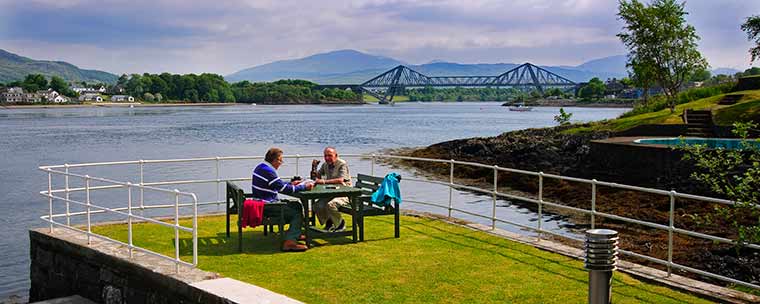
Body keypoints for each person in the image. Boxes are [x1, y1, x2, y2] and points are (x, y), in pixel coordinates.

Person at [252, 147, 314, 252]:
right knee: (296, 214)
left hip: (261, 202)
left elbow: (277, 184)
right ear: (275, 160)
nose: (281, 163)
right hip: (268, 206)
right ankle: (289, 243)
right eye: (281, 160)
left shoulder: (261, 167)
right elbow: (283, 188)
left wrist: (290, 183)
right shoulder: (269, 171)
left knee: (297, 205)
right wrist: (304, 187)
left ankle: (294, 234)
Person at [313, 146, 352, 231]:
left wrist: (323, 182)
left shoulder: (342, 164)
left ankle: (340, 224)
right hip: (331, 193)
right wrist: (314, 168)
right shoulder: (325, 165)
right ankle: (329, 223)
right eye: (325, 156)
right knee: (317, 205)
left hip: (345, 193)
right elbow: (316, 177)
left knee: (331, 205)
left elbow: (340, 180)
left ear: (336, 155)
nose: (327, 158)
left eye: (330, 155)